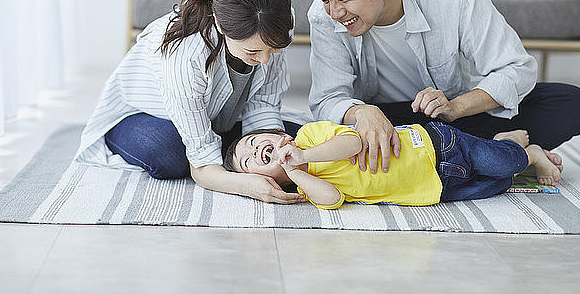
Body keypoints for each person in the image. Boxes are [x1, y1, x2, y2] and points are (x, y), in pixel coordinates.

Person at [307, 0, 580, 176]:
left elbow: (516, 68)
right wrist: (363, 112)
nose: (334, 12)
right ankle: (504, 153)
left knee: (568, 102)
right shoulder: (322, 17)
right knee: (316, 139)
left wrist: (456, 106)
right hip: (386, 123)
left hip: (456, 118)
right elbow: (327, 99)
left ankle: (476, 157)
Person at [74, 0, 306, 204]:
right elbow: (202, 165)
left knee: (301, 140)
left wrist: (274, 147)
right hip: (142, 115)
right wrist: (246, 184)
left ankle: (222, 146)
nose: (266, 59)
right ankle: (123, 139)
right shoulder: (186, 55)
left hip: (218, 116)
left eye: (275, 49)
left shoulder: (275, 19)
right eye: (254, 51)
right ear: (220, 24)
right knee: (170, 155)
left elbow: (263, 104)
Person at [222, 121, 562, 209]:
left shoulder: (312, 137)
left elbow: (354, 142)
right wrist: (297, 171)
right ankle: (508, 147)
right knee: (496, 186)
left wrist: (304, 156)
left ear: (280, 136)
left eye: (254, 142)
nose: (255, 152)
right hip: (436, 188)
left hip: (434, 145)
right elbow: (331, 199)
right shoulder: (304, 186)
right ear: (270, 181)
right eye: (249, 161)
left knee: (501, 163)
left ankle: (527, 150)